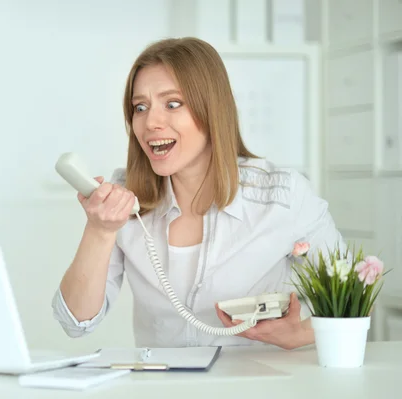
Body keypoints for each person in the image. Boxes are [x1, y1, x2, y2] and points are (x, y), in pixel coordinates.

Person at [51, 37, 344, 350]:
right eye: (140, 107)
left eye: (173, 104)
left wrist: (301, 334)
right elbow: (76, 322)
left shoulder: (283, 196)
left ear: (211, 109)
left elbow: (356, 298)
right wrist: (100, 230)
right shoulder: (125, 201)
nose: (151, 122)